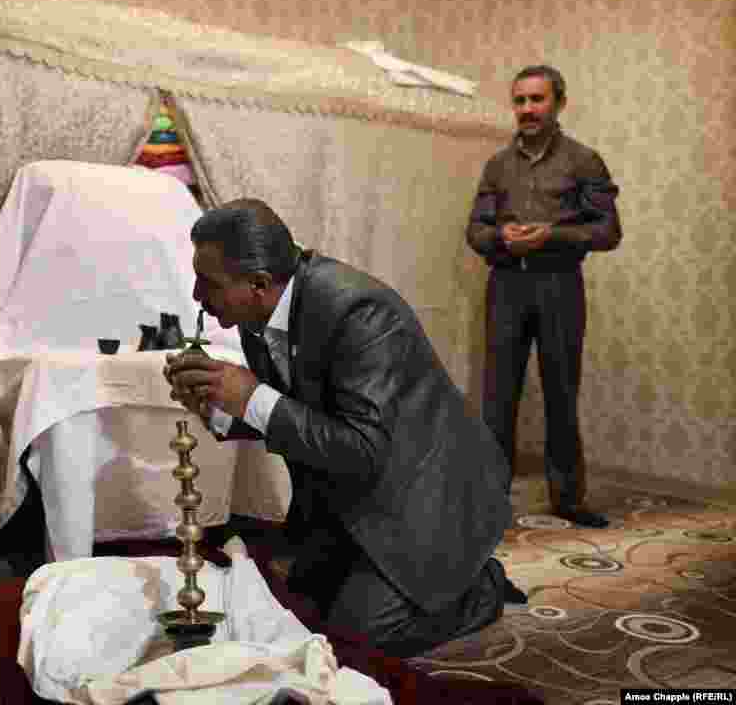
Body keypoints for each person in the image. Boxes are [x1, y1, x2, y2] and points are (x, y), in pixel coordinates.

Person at [163, 198, 522, 658]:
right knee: (296, 611)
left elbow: (363, 449)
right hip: (350, 498)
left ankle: (482, 585)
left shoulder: (358, 311)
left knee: (356, 640)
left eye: (207, 283)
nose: (196, 296)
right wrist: (218, 406)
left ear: (257, 284)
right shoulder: (258, 314)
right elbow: (300, 417)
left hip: (429, 499)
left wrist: (250, 396)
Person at [466, 65, 622, 529]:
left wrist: (549, 235)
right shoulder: (497, 165)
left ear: (559, 103)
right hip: (507, 286)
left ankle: (569, 498)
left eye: (537, 100)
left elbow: (608, 231)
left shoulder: (584, 161)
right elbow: (475, 230)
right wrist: (501, 236)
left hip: (559, 285)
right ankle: (491, 498)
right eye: (520, 101)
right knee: (497, 396)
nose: (528, 110)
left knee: (560, 390)